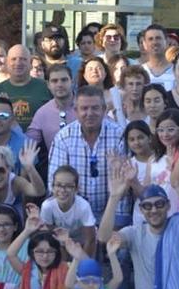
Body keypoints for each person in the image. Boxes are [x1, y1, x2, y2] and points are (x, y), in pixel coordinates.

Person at [48, 86, 124, 222]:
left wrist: (117, 222)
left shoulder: (119, 136)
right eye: (84, 108)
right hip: (74, 216)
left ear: (104, 110)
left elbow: (124, 188)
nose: (89, 113)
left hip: (111, 212)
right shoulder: (63, 138)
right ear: (76, 111)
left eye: (95, 108)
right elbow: (54, 184)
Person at [0, 44, 52, 130]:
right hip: (4, 142)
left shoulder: (46, 87)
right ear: (7, 63)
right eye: (13, 59)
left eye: (23, 59)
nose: (18, 63)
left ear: (30, 64)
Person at [39, 165, 97, 256]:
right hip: (60, 241)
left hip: (81, 241)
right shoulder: (47, 206)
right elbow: (48, 234)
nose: (62, 190)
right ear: (52, 187)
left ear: (77, 189)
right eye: (58, 185)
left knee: (86, 267)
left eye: (69, 186)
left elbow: (90, 239)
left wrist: (85, 264)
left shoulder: (83, 206)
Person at [0, 144, 45, 218]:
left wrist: (30, 167)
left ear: (9, 169)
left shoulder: (15, 182)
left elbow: (39, 192)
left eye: (1, 170)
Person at [141, 24, 174, 90]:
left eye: (158, 38)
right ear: (144, 44)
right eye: (150, 39)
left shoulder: (177, 71)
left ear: (167, 42)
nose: (154, 42)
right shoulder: (140, 71)